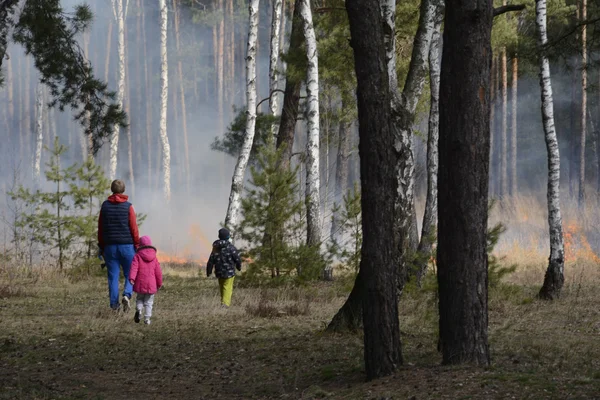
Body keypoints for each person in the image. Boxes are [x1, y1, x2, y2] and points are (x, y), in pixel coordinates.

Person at [98, 179, 140, 311]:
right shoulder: (128, 206)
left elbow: (101, 227)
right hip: (127, 246)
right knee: (130, 274)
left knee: (113, 276)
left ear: (112, 189)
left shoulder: (105, 206)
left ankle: (114, 306)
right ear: (123, 190)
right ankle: (127, 294)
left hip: (110, 247)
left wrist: (102, 245)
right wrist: (137, 244)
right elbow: (134, 228)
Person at [129, 236, 163, 325]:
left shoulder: (137, 256)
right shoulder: (154, 258)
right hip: (151, 284)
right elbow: (158, 272)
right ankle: (147, 319)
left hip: (140, 283)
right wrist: (159, 283)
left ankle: (139, 310)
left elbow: (134, 268)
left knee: (139, 298)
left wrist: (132, 278)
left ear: (140, 245)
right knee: (149, 302)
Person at [206, 228, 242, 307]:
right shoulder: (231, 247)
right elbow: (237, 259)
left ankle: (223, 302)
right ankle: (225, 304)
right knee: (227, 288)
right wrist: (239, 267)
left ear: (219, 236)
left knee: (222, 287)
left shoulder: (215, 248)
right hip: (229, 272)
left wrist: (209, 271)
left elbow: (211, 260)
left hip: (219, 272)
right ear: (228, 236)